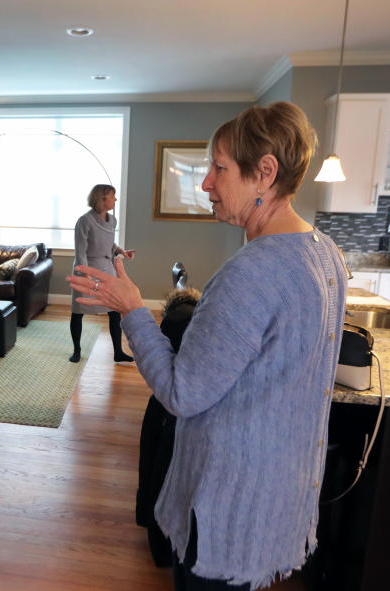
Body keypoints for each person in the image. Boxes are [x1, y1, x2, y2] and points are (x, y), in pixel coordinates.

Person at [67, 102, 348, 590]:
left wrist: (131, 307)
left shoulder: (251, 272)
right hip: (282, 494)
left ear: (265, 173)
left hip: (228, 505)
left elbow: (181, 392)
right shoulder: (326, 254)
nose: (206, 184)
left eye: (219, 168)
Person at [69, 183, 136, 363]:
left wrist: (121, 251)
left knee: (114, 311)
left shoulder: (112, 221)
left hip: (106, 270)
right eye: (113, 196)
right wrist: (85, 275)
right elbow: (80, 251)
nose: (116, 199)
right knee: (78, 312)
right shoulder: (84, 222)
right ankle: (76, 350)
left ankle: (118, 352)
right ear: (102, 199)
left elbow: (109, 245)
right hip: (86, 270)